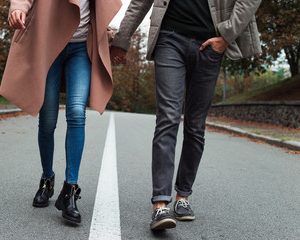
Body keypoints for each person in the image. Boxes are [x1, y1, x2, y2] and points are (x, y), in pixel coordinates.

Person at [111, 0, 262, 231]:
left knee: (195, 126)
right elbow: (139, 3)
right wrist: (122, 40)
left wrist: (227, 36)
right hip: (169, 39)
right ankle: (160, 204)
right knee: (167, 118)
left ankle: (183, 197)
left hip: (210, 43)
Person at [0, 0, 122, 224]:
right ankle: (47, 179)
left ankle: (70, 189)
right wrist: (17, 7)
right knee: (47, 119)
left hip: (81, 48)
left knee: (76, 112)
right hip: (50, 45)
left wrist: (114, 37)